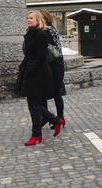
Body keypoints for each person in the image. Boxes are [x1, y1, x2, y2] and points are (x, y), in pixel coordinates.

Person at [15, 10, 65, 146]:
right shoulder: (29, 34)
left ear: (38, 20)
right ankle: (44, 128)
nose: (28, 20)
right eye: (27, 18)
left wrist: (31, 71)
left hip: (38, 73)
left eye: (31, 18)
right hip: (30, 70)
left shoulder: (41, 34)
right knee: (33, 104)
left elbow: (41, 57)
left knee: (33, 103)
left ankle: (45, 127)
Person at [40, 10, 66, 128]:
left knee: (52, 92)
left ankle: (53, 118)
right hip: (56, 63)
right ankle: (58, 117)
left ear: (44, 19)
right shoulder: (51, 28)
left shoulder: (46, 30)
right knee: (53, 92)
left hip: (53, 64)